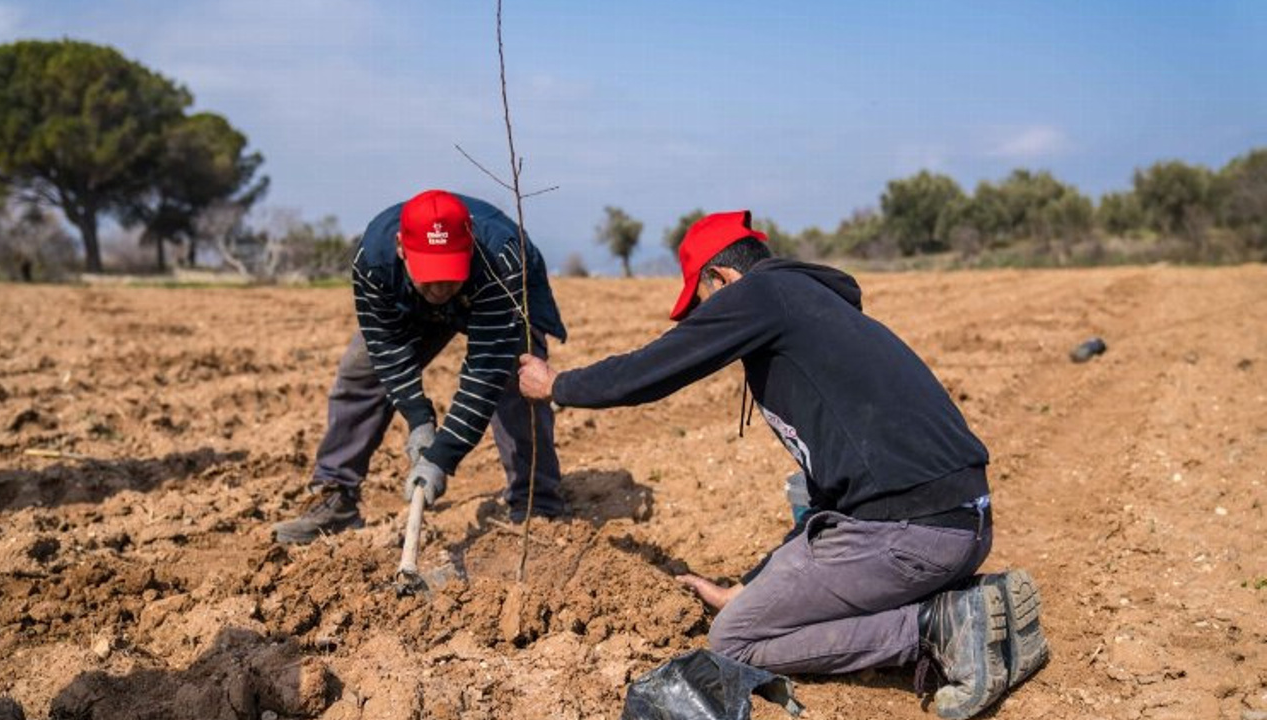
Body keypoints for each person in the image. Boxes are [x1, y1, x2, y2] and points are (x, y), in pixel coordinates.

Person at [517, 210, 1048, 719]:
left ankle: (936, 627)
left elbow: (654, 368)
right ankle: (973, 604)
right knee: (754, 600)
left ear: (720, 277)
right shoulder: (811, 309)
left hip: (909, 536)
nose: (705, 320)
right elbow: (830, 501)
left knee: (736, 640)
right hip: (962, 526)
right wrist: (751, 587)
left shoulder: (760, 293)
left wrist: (558, 385)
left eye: (702, 302)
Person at [273, 189, 567, 544]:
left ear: (470, 245)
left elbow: (484, 373)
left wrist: (441, 456)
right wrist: (418, 419)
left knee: (518, 378)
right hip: (409, 301)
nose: (441, 287)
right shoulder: (373, 259)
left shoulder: (500, 258)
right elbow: (387, 348)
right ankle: (336, 495)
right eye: (430, 274)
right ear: (401, 248)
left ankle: (536, 504)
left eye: (449, 273)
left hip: (496, 292)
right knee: (360, 370)